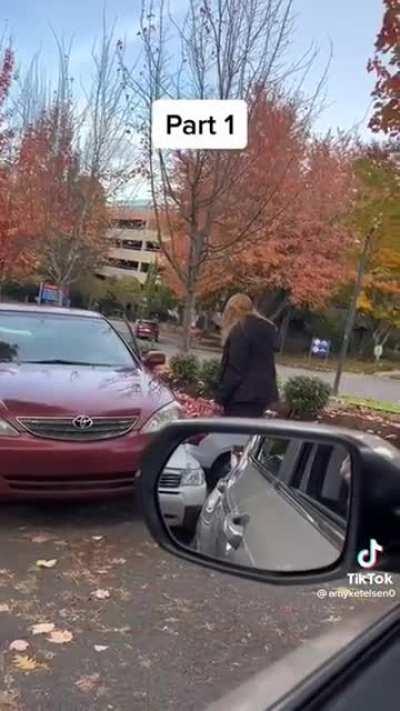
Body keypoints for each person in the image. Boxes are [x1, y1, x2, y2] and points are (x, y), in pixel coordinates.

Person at [216, 293, 280, 418]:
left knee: (235, 434)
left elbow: (235, 369)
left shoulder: (240, 330)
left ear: (231, 311)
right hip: (263, 395)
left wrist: (221, 396)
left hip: (241, 396)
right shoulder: (267, 329)